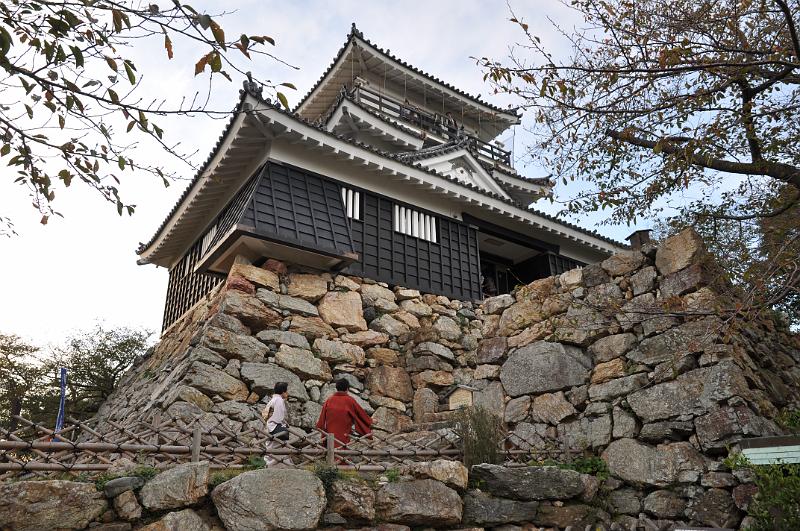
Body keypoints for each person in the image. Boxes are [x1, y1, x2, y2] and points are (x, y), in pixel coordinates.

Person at [316, 378, 372, 447]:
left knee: (332, 452)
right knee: (342, 453)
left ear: (336, 388)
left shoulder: (329, 400)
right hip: (343, 434)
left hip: (330, 436)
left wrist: (321, 428)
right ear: (347, 389)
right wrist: (370, 421)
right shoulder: (350, 400)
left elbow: (321, 420)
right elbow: (360, 413)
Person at [262, 381, 289, 467]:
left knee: (271, 447)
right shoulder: (279, 400)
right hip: (276, 426)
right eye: (286, 391)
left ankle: (270, 464)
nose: (287, 393)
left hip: (269, 425)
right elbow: (279, 416)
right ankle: (276, 465)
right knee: (278, 447)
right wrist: (283, 424)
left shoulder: (272, 400)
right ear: (283, 391)